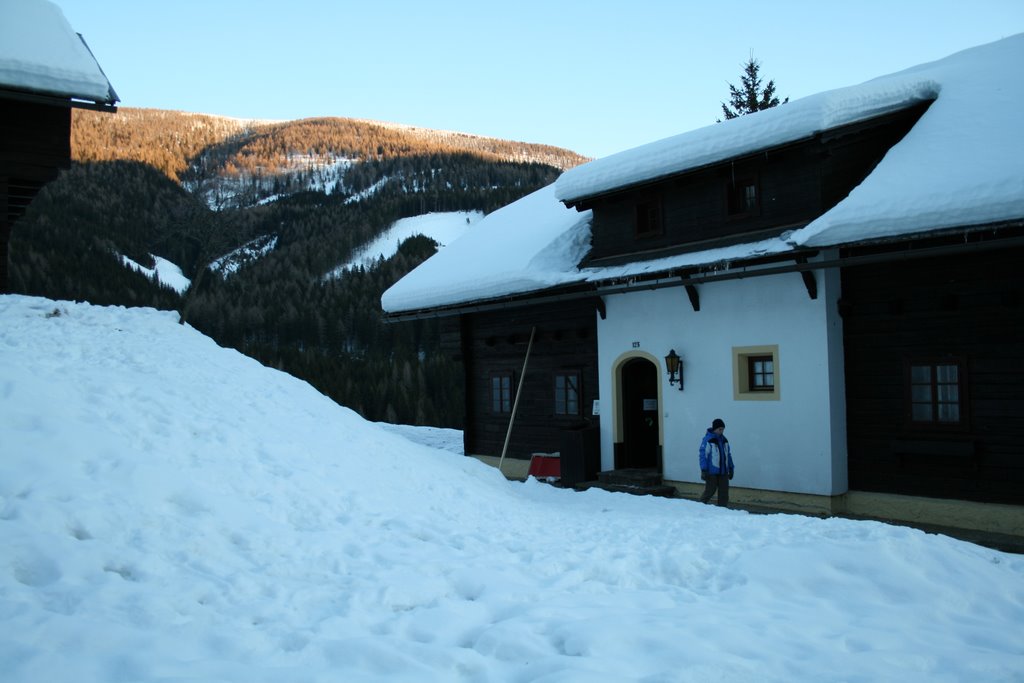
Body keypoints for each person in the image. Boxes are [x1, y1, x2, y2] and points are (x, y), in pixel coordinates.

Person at [698, 418, 734, 506]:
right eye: (720, 429)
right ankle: (699, 507)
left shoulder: (725, 440)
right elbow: (703, 455)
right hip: (711, 472)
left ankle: (723, 510)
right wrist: (704, 469)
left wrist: (731, 468)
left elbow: (728, 455)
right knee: (710, 491)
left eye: (723, 429)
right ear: (715, 429)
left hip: (723, 472)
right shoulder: (708, 440)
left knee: (724, 492)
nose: (721, 431)